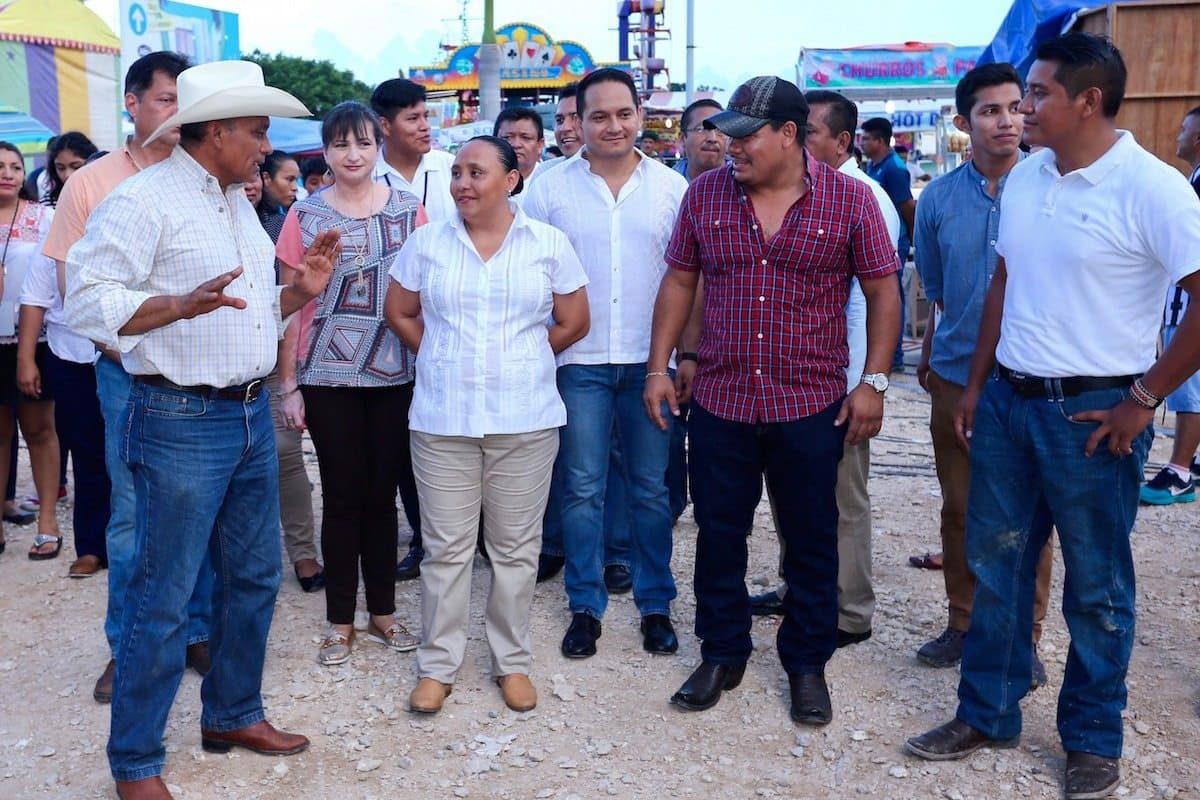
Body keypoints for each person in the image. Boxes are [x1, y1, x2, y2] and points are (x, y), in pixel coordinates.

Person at [904, 34, 1200, 800]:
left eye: (1036, 94)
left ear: (1088, 101)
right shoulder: (1031, 178)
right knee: (998, 566)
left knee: (1096, 589)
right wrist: (975, 386)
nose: (1022, 108)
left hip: (1094, 415)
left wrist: (1143, 401)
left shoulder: (1154, 188)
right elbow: (1006, 279)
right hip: (1008, 402)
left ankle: (1092, 741)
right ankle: (988, 713)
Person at [66, 59, 336, 800]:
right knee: (162, 594)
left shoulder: (235, 203)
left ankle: (231, 715)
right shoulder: (141, 201)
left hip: (248, 414)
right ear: (213, 131)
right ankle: (135, 763)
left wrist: (295, 294)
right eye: (254, 129)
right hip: (178, 420)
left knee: (251, 577)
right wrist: (175, 305)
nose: (265, 142)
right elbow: (86, 304)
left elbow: (241, 312)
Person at [645, 76, 900, 726]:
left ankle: (806, 664)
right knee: (719, 533)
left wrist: (873, 381)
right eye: (723, 134)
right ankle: (722, 652)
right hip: (723, 401)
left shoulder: (850, 200)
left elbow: (882, 293)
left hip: (811, 403)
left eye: (743, 136)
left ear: (789, 134)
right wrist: (661, 367)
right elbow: (679, 280)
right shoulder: (705, 196)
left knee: (811, 538)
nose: (727, 146)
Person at [386, 135, 590, 714]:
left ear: (512, 180)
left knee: (515, 549)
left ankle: (512, 661)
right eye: (456, 173)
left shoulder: (547, 244)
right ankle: (437, 666)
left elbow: (574, 319)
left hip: (524, 417)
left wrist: (522, 357)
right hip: (442, 419)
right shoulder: (427, 243)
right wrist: (440, 354)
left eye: (476, 172)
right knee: (445, 549)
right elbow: (399, 311)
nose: (462, 184)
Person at [42, 50, 215, 706]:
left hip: (202, 375)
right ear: (133, 104)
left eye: (185, 100)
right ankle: (132, 647)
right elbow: (71, 286)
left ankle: (195, 631)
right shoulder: (93, 182)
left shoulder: (206, 176)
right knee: (133, 515)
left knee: (197, 508)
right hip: (127, 374)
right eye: (166, 99)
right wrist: (124, 348)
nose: (177, 112)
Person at [525, 67, 688, 659]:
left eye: (623, 113)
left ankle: (655, 604)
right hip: (578, 363)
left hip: (651, 366)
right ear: (578, 120)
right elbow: (530, 274)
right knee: (582, 487)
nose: (612, 126)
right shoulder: (548, 188)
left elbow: (687, 281)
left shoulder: (674, 189)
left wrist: (681, 357)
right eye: (598, 115)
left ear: (640, 115)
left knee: (649, 489)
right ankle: (585, 605)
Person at [911, 63, 1054, 681]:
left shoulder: (1050, 188)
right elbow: (936, 291)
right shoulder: (938, 199)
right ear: (964, 122)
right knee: (962, 505)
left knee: (1030, 515)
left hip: (1033, 374)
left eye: (1015, 107)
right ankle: (964, 620)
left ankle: (1024, 635)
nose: (1006, 120)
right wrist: (928, 353)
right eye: (990, 110)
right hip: (955, 371)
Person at [747, 89, 901, 652]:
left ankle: (849, 612)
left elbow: (873, 301)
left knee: (842, 500)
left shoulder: (862, 198)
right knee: (801, 500)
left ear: (841, 141)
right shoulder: (789, 193)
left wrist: (867, 383)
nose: (795, 141)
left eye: (808, 133)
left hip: (841, 381)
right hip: (802, 384)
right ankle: (805, 593)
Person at [275, 100, 423, 667]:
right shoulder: (305, 216)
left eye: (361, 142)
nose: (352, 154)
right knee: (341, 497)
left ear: (378, 144)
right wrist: (289, 384)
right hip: (326, 375)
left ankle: (383, 612)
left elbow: (426, 294)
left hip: (396, 372)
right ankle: (340, 620)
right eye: (340, 145)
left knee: (383, 498)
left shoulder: (412, 211)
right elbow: (291, 306)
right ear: (326, 152)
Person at [370, 77, 452, 580]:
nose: (425, 127)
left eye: (426, 116)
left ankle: (462, 535)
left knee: (454, 435)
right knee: (406, 441)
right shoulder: (367, 174)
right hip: (388, 330)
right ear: (385, 125)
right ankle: (423, 539)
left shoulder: (450, 170)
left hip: (445, 326)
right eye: (414, 118)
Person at [247, 159, 323, 593]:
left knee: (286, 453)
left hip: (275, 356)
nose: (250, 185)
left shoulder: (281, 224)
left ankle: (302, 551)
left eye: (255, 176)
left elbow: (293, 299)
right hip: (223, 357)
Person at [0, 142, 63, 561]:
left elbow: (52, 281)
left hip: (32, 342)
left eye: (14, 165)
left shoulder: (44, 218)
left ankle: (48, 523)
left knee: (39, 430)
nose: (7, 172)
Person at [1139, 104, 1200, 504]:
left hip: (1187, 302)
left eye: (1183, 129)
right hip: (1182, 299)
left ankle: (1179, 469)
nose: (1177, 135)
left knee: (1187, 391)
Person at [861, 116, 915, 372]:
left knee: (891, 295)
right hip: (878, 239)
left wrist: (914, 241)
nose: (862, 142)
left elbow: (907, 206)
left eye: (867, 138)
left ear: (880, 141)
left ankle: (895, 357)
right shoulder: (874, 165)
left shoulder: (894, 169)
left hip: (895, 241)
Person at [45, 132, 99, 206]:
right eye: (60, 168)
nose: (67, 175)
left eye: (76, 167)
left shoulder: (107, 196)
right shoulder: (48, 204)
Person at [494, 107, 546, 182]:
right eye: (507, 137)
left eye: (525, 137)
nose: (516, 145)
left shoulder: (551, 181)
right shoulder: (483, 182)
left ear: (540, 145)